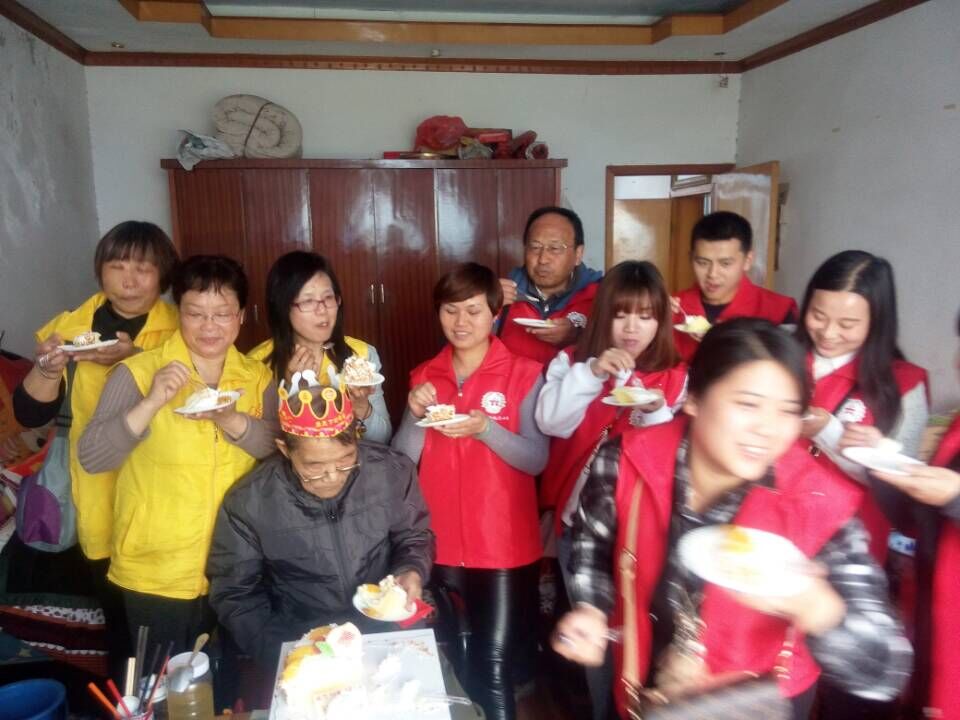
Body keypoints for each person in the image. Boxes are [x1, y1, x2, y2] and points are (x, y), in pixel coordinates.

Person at [553, 319, 912, 720]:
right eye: (748, 404)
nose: (768, 430)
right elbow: (592, 542)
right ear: (694, 397)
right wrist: (592, 608)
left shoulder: (817, 502)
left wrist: (819, 609)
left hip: (752, 704)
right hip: (639, 680)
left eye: (788, 411)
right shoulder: (625, 459)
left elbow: (885, 669)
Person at [78, 255, 278, 654]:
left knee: (227, 681)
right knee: (163, 682)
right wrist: (152, 401)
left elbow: (275, 448)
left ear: (241, 316)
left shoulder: (257, 377)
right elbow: (93, 457)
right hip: (157, 569)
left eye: (222, 314)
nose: (209, 326)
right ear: (179, 314)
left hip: (237, 567)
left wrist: (230, 419)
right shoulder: (138, 372)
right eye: (196, 313)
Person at [12, 220, 179, 672]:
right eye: (117, 266)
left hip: (163, 487)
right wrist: (48, 369)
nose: (129, 281)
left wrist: (135, 360)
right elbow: (30, 414)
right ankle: (126, 694)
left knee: (168, 616)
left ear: (162, 276)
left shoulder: (181, 329)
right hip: (95, 489)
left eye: (143, 269)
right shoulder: (69, 329)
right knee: (118, 618)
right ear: (101, 270)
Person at [392, 262, 548, 720]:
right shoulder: (425, 375)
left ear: (495, 314)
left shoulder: (524, 374)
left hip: (503, 546)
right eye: (450, 310)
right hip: (438, 542)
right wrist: (414, 412)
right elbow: (402, 460)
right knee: (450, 659)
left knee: (492, 663)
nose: (461, 322)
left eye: (474, 311)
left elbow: (535, 459)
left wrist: (485, 430)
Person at [535, 260, 686, 720]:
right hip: (581, 531)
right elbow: (551, 422)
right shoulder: (571, 363)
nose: (632, 327)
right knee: (594, 638)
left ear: (661, 321)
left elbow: (673, 465)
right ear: (604, 316)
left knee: (642, 639)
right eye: (621, 315)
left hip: (645, 536)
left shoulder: (676, 377)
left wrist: (658, 412)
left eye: (645, 316)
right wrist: (593, 372)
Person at [207, 382, 434, 671]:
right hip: (303, 638)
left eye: (346, 460)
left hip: (386, 629)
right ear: (285, 450)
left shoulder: (391, 470)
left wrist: (411, 569)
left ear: (357, 439)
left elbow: (414, 536)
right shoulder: (250, 501)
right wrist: (282, 654)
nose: (332, 476)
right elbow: (236, 593)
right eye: (314, 466)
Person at [797, 250, 929, 562]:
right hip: (772, 520)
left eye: (847, 323)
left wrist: (829, 432)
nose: (828, 333)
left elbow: (901, 490)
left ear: (876, 322)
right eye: (818, 315)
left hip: (849, 544)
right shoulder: (780, 353)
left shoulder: (904, 384)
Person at [870, 309, 960, 720]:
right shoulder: (956, 424)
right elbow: (920, 515)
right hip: (933, 609)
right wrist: (881, 464)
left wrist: (955, 496)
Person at [248, 251, 391, 443]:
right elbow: (263, 447)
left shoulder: (362, 355)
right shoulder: (257, 364)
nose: (322, 310)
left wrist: (360, 406)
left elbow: (383, 439)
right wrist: (291, 392)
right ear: (283, 307)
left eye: (328, 298)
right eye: (308, 301)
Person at [672, 211, 798, 361]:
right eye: (702, 263)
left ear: (747, 261)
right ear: (691, 258)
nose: (712, 274)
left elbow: (790, 369)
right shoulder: (671, 308)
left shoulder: (779, 311)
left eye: (725, 263)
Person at [497, 206, 603, 365]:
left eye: (554, 248)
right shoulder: (502, 293)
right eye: (535, 247)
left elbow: (619, 349)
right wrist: (489, 305)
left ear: (578, 254)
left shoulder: (600, 297)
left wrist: (577, 335)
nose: (543, 259)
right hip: (514, 381)